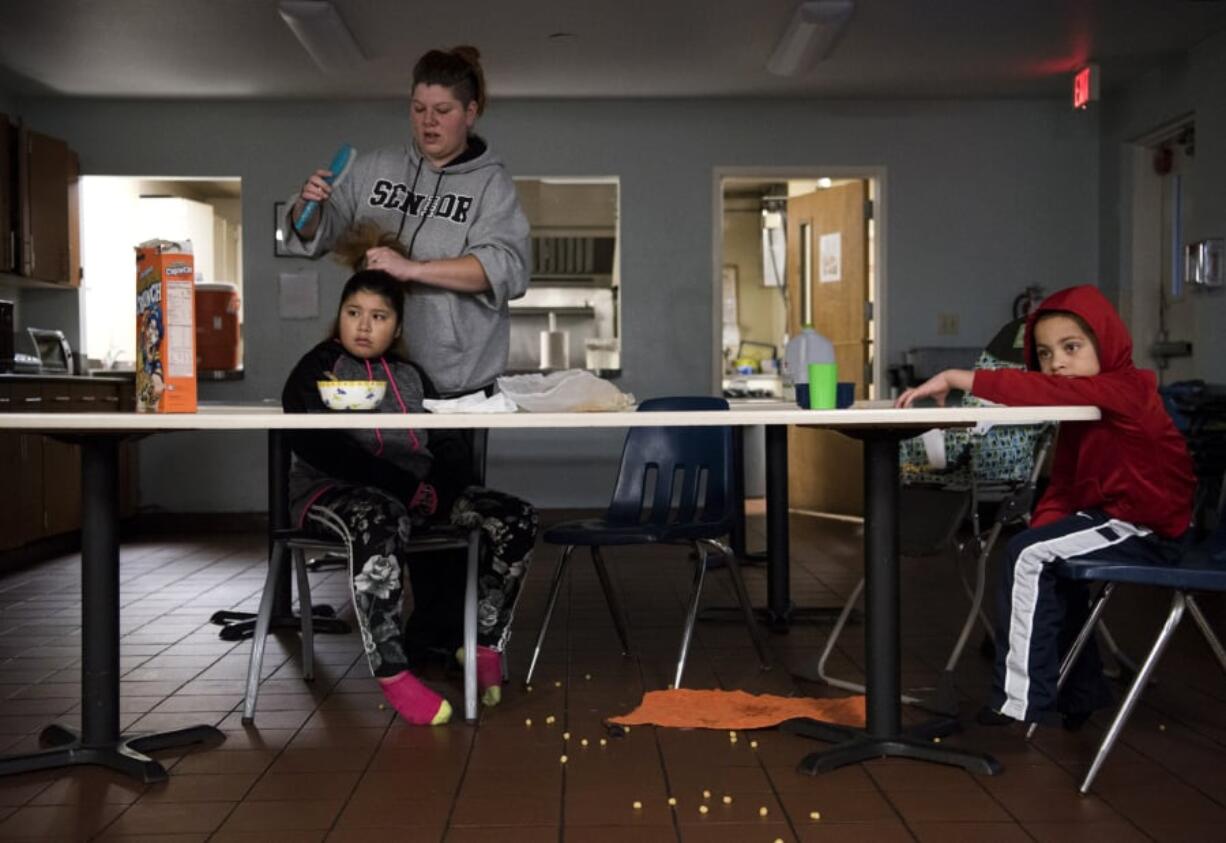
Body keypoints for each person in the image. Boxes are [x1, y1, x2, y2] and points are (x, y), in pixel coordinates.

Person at [896, 285, 1195, 727]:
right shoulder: (1080, 414)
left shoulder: (1127, 388)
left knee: (1027, 554)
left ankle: (1016, 701)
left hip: (1148, 528)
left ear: (1106, 343)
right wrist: (1043, 526)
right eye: (1045, 352)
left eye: (1071, 347)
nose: (1057, 362)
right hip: (1113, 519)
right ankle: (1082, 692)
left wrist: (960, 378)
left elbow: (1032, 388)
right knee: (1039, 552)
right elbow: (1066, 487)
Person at [282, 263, 537, 726]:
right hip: (332, 494)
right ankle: (393, 672)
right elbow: (316, 444)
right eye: (354, 312)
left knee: (514, 517)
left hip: (414, 496)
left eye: (378, 316)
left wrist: (436, 493)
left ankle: (480, 644)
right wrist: (407, 489)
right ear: (339, 316)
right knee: (381, 514)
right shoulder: (315, 368)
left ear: (396, 326)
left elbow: (447, 445)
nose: (363, 325)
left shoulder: (411, 375)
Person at [285, 45, 530, 397]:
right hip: (375, 378)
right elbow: (318, 232)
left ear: (470, 112)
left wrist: (412, 269)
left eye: (442, 110)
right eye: (418, 109)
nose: (428, 121)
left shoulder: (491, 185)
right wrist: (306, 208)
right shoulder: (375, 168)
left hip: (456, 387)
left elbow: (506, 268)